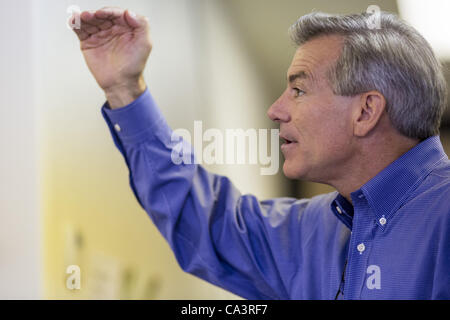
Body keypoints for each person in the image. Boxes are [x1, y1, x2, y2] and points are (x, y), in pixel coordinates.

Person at [72, 7, 450, 299]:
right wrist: (125, 89)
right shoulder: (312, 232)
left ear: (365, 112)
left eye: (299, 91)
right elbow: (205, 220)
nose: (276, 110)